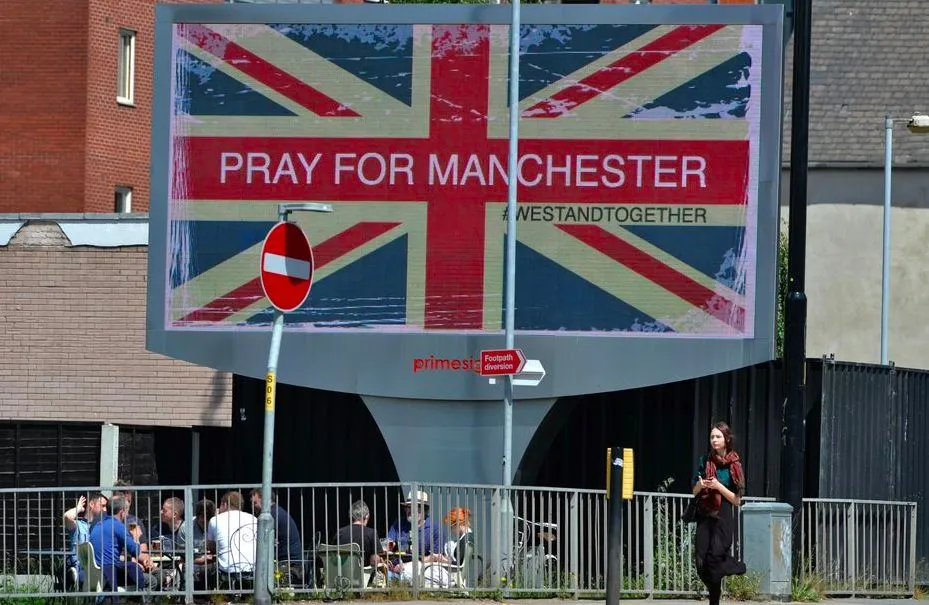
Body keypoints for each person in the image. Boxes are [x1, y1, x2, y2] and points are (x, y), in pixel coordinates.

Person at [692, 422, 747, 605]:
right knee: (701, 563)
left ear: (726, 439)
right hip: (705, 511)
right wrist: (701, 485)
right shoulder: (704, 460)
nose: (714, 440)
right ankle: (715, 594)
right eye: (712, 437)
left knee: (714, 557)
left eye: (718, 436)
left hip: (723, 512)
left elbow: (737, 500)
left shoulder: (734, 464)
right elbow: (693, 491)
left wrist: (718, 486)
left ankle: (735, 566)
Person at [88, 494, 153, 591]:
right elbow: (135, 551)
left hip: (97, 572)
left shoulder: (98, 525)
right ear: (122, 512)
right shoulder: (118, 526)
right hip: (110, 573)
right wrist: (136, 537)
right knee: (151, 581)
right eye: (126, 511)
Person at [62, 492, 108, 588]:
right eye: (102, 506)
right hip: (82, 568)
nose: (105, 509)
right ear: (91, 504)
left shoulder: (104, 527)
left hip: (101, 567)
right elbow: (67, 516)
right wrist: (78, 509)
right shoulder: (79, 525)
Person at [332, 500, 382, 566]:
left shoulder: (340, 532)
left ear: (351, 516)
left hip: (342, 574)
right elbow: (374, 562)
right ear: (367, 516)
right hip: (364, 574)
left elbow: (332, 555)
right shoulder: (371, 533)